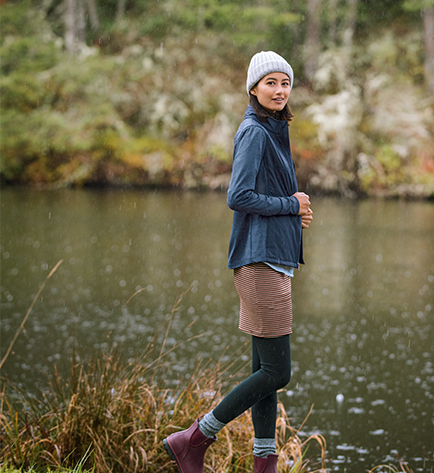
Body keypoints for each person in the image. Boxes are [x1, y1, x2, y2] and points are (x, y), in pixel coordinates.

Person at [163, 51, 313, 473]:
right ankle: (194, 438)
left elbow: (274, 198)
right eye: (271, 83)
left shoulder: (274, 128)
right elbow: (238, 196)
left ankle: (263, 465)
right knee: (277, 372)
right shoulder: (255, 132)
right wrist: (290, 202)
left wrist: (295, 209)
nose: (280, 90)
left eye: (285, 83)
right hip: (259, 261)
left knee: (264, 371)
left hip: (273, 260)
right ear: (253, 88)